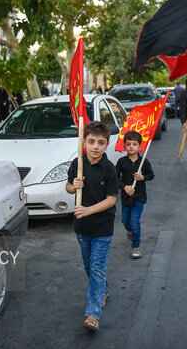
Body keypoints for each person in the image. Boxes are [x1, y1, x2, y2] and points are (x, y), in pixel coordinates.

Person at [65, 121, 118, 332]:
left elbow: (111, 199)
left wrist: (88, 210)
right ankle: (103, 289)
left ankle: (93, 314)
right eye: (91, 142)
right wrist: (73, 186)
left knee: (96, 268)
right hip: (82, 228)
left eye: (101, 143)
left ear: (107, 144)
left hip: (103, 227)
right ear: (84, 141)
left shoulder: (109, 169)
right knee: (89, 267)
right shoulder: (77, 164)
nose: (95, 147)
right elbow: (68, 187)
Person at [115, 131, 154, 259]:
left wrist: (142, 177)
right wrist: (124, 187)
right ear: (124, 146)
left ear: (140, 147)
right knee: (126, 221)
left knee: (135, 221)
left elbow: (151, 175)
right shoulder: (121, 162)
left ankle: (136, 247)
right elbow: (115, 178)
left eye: (134, 144)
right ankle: (129, 230)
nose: (131, 147)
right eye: (128, 144)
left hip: (139, 196)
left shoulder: (144, 162)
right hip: (126, 196)